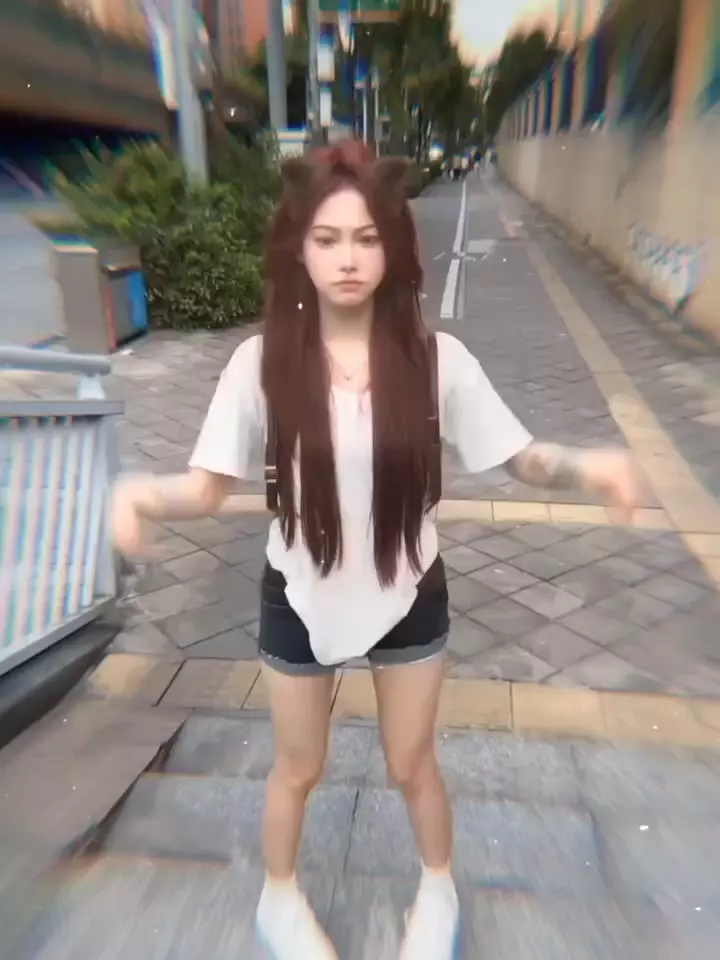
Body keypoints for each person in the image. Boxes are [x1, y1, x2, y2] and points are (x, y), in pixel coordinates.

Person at [111, 139, 641, 959]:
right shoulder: (260, 364)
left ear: (392, 248)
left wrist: (586, 467)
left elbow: (520, 457)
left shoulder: (436, 361)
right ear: (300, 250)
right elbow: (207, 487)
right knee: (298, 768)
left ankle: (438, 889)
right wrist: (144, 493)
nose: (349, 259)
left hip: (408, 588)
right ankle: (278, 899)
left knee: (411, 764)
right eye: (327, 240)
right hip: (298, 589)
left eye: (366, 238)